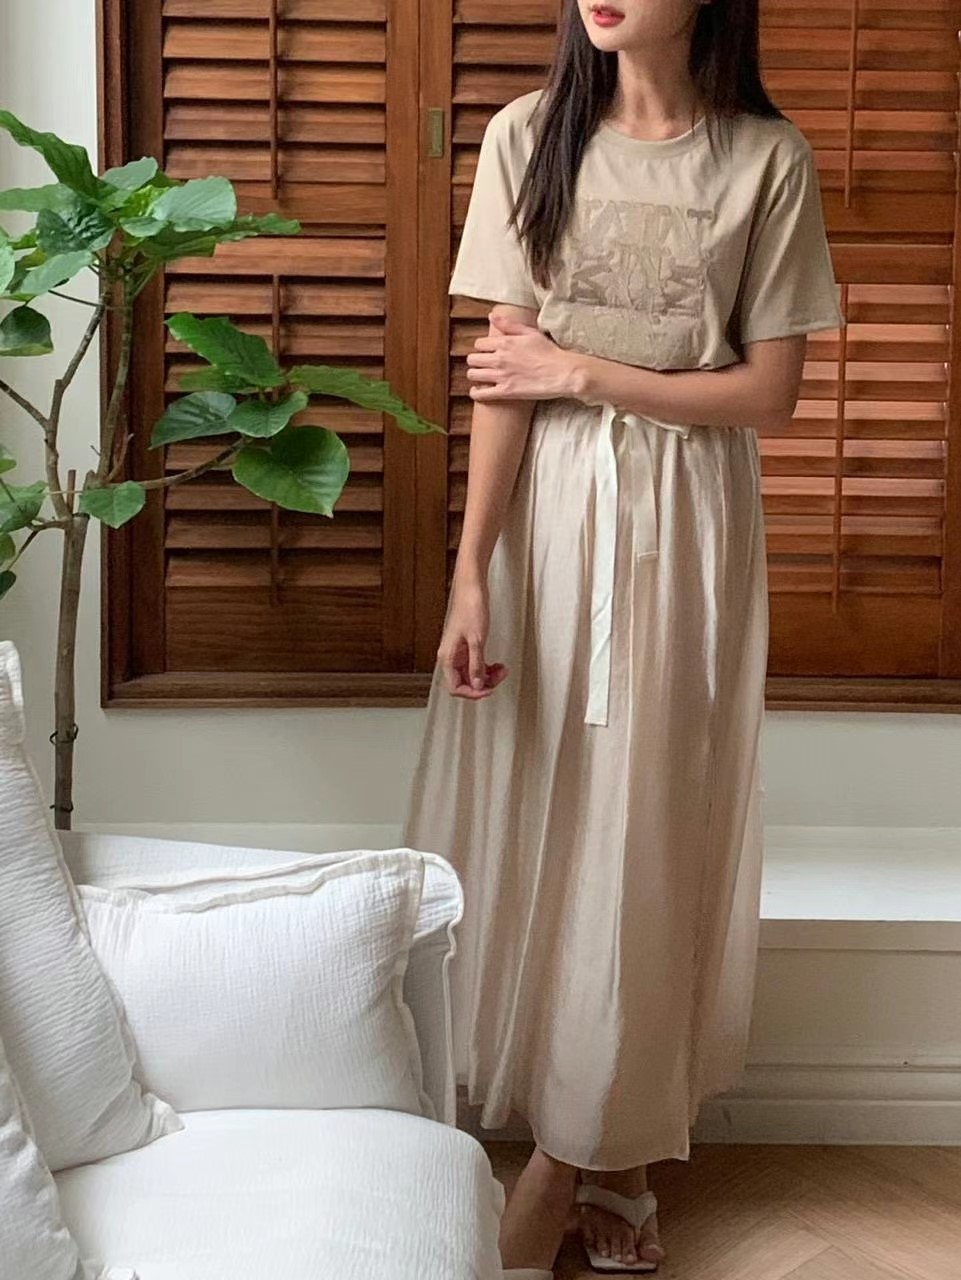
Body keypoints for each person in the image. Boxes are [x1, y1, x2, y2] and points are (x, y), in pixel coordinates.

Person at [401, 0, 844, 1274]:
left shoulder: (764, 158)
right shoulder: (527, 134)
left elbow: (768, 393)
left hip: (686, 525)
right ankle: (619, 1155)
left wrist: (581, 372)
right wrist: (469, 573)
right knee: (547, 809)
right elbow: (505, 381)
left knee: (646, 825)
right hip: (547, 519)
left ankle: (566, 1156)